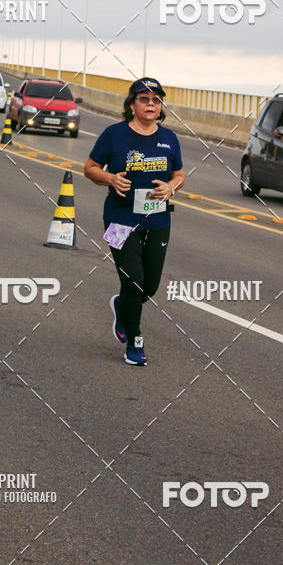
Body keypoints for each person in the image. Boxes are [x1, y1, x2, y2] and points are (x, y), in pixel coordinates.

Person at [84, 78, 185, 365]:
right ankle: (135, 340)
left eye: (156, 99)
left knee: (149, 286)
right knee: (134, 282)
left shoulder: (169, 138)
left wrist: (172, 187)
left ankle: (122, 306)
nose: (151, 104)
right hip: (119, 218)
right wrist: (110, 177)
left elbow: (179, 174)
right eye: (144, 99)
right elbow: (89, 168)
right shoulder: (113, 135)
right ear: (132, 104)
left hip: (158, 219)